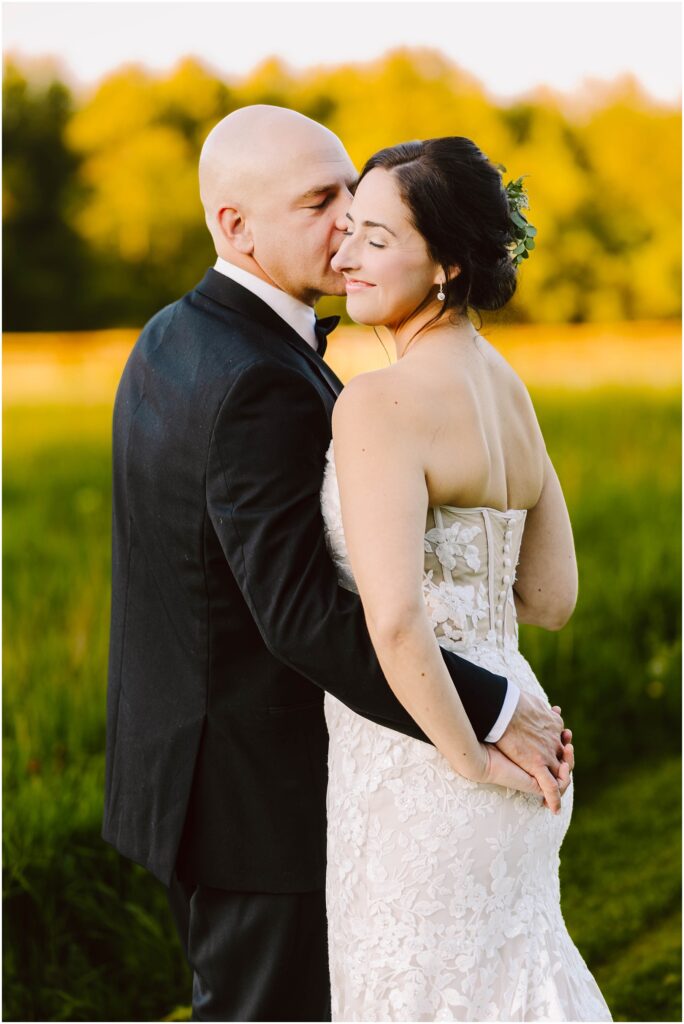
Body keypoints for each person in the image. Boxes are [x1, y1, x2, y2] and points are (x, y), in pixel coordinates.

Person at [102, 106, 573, 1022]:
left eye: (354, 194)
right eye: (321, 201)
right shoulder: (261, 378)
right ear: (235, 225)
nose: (349, 219)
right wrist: (493, 709)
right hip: (257, 799)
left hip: (202, 775)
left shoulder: (173, 333)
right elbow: (304, 613)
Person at [321, 137, 612, 1021]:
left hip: (432, 764)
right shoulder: (508, 388)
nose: (344, 255)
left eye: (376, 238)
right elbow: (551, 599)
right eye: (348, 230)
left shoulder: (377, 401)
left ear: (448, 264)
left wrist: (469, 757)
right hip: (528, 728)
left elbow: (396, 622)